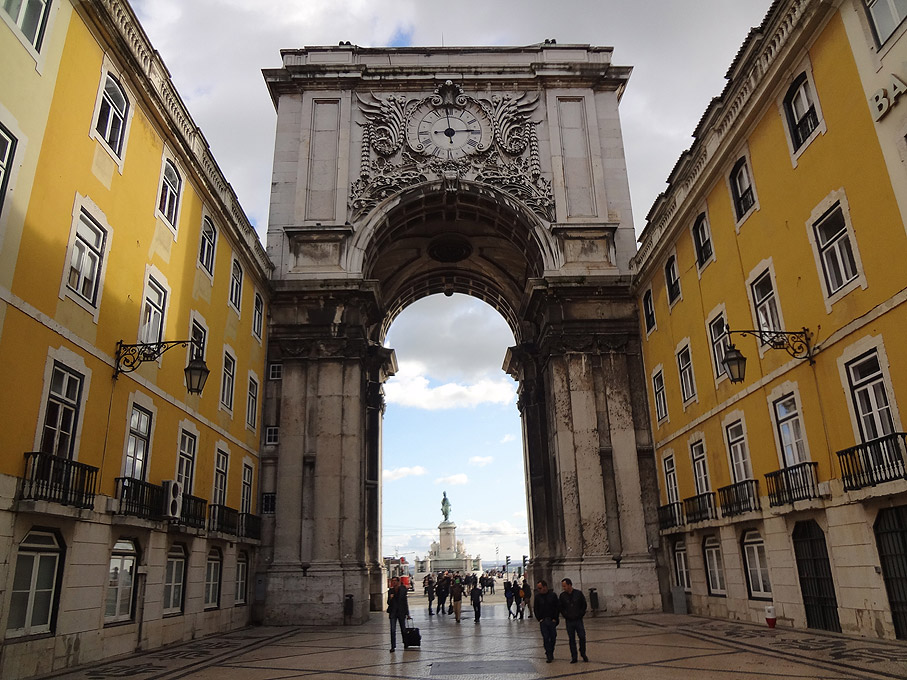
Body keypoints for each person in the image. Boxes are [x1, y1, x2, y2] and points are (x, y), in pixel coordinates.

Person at [559, 578, 588, 663]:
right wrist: (566, 615)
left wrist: (580, 614)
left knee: (582, 637)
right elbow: (561, 607)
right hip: (569, 620)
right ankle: (574, 656)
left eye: (564, 586)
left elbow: (584, 605)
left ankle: (583, 653)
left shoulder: (578, 594)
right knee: (571, 639)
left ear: (569, 585)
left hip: (578, 619)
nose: (563, 588)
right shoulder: (562, 596)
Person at [534, 579, 559, 663]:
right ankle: (548, 654)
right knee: (545, 637)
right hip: (543, 621)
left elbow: (557, 607)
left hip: (551, 620)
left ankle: (551, 651)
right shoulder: (537, 597)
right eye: (538, 588)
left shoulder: (553, 595)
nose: (539, 590)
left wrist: (555, 618)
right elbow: (536, 608)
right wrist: (539, 619)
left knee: (553, 637)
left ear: (545, 587)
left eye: (540, 588)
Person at [386, 576, 409, 652]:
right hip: (393, 612)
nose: (394, 582)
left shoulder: (403, 590)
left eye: (395, 581)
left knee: (403, 629)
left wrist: (407, 613)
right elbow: (388, 602)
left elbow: (405, 602)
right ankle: (393, 646)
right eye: (392, 581)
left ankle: (405, 643)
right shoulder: (390, 591)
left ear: (398, 582)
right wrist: (391, 598)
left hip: (401, 612)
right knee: (392, 630)